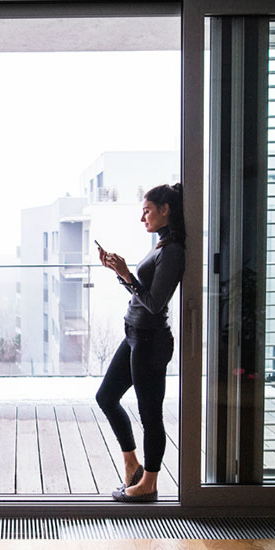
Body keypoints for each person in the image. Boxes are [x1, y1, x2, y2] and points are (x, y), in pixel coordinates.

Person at [95, 183, 185, 503]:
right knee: (106, 397)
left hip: (150, 341)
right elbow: (143, 295)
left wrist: (126, 274)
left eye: (147, 210)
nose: (142, 216)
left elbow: (155, 304)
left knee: (150, 415)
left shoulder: (172, 251)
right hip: (134, 335)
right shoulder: (160, 246)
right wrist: (119, 273)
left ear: (165, 210)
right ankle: (132, 465)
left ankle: (149, 483)